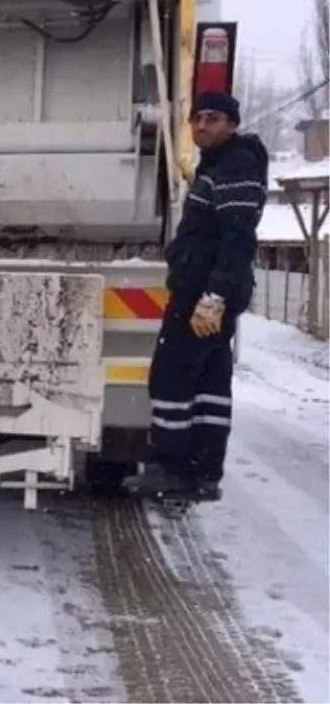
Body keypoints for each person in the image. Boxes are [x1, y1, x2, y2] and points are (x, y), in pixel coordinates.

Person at [125, 91, 269, 503]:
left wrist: (214, 295)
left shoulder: (237, 164)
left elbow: (237, 235)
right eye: (197, 118)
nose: (202, 125)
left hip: (205, 294)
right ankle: (204, 471)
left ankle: (172, 468)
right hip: (207, 291)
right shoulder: (222, 162)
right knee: (209, 382)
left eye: (213, 118)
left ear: (232, 124)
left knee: (172, 375)